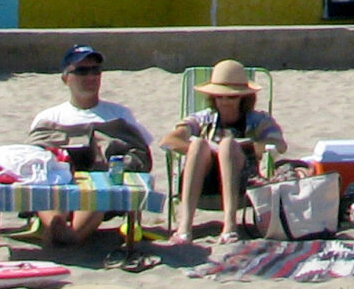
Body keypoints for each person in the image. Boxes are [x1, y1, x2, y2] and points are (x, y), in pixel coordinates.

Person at [27, 46, 155, 246]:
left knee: (99, 189)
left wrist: (119, 165)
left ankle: (70, 237)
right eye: (82, 71)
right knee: (47, 185)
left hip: (101, 185)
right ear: (65, 78)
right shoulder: (48, 118)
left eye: (95, 70)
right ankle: (58, 226)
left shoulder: (119, 115)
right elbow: (32, 160)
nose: (91, 76)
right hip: (57, 182)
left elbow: (141, 155)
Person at [160, 60, 286, 243]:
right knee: (198, 145)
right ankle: (184, 228)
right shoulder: (203, 119)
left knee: (228, 145)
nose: (225, 102)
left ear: (243, 98)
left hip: (242, 180)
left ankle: (229, 225)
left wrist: (242, 148)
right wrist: (208, 152)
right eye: (220, 97)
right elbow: (169, 140)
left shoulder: (258, 120)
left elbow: (279, 144)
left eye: (231, 97)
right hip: (204, 179)